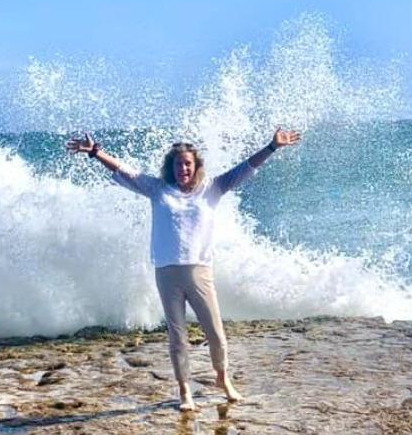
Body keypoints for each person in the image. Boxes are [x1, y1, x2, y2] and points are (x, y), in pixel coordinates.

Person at [66, 129, 301, 411]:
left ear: (196, 166)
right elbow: (124, 171)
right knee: (177, 335)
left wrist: (272, 147)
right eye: (178, 165)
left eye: (188, 164)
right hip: (167, 273)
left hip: (200, 272)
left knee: (215, 332)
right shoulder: (157, 189)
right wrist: (95, 152)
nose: (183, 169)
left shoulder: (213, 187)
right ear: (171, 168)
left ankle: (222, 379)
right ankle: (184, 391)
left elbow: (247, 167)